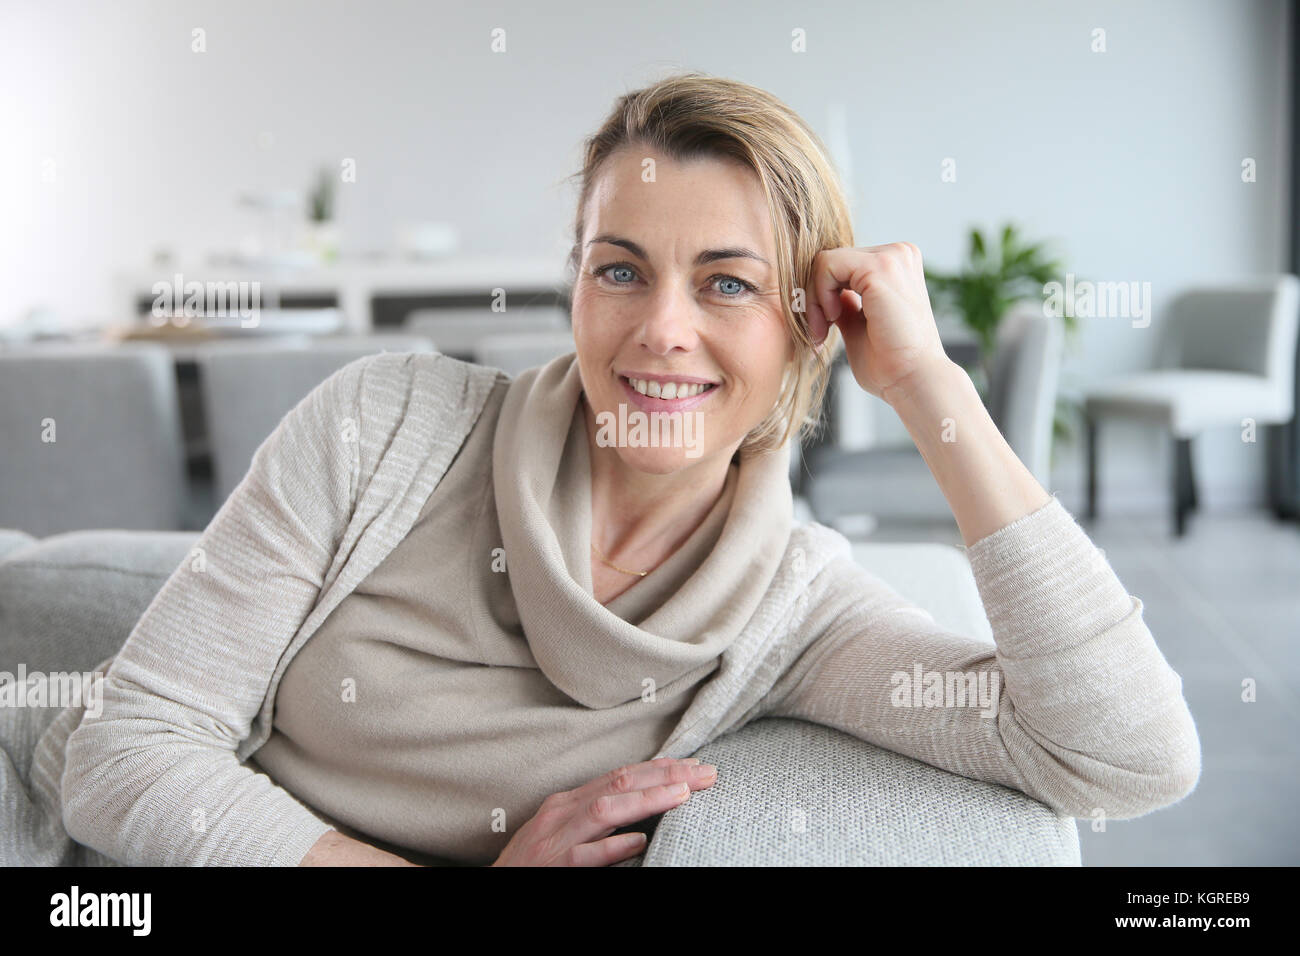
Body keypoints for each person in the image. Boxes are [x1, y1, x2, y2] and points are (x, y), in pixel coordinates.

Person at [51, 72, 1199, 867]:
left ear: (814, 320)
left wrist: (929, 388)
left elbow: (1124, 753)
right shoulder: (384, 423)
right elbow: (125, 750)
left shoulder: (792, 612)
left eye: (727, 282)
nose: (659, 329)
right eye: (619, 270)